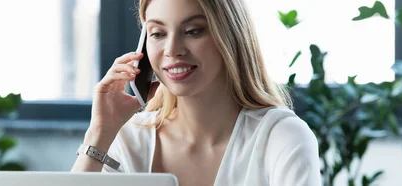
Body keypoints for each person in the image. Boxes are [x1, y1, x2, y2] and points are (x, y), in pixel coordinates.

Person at [71, 0, 321, 185]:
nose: (172, 49)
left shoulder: (281, 137)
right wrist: (100, 133)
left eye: (193, 31)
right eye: (158, 33)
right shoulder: (130, 138)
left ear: (231, 37)